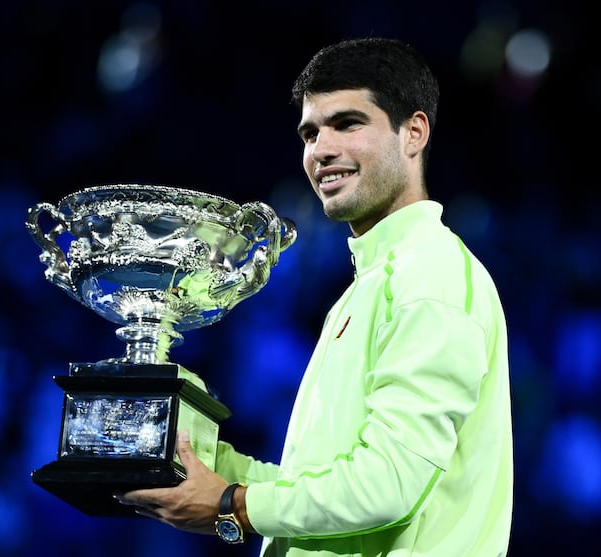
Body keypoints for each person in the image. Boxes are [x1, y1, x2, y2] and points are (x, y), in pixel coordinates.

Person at [116, 37, 514, 556]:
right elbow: (321, 483)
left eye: (348, 124)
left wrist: (234, 505)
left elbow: (389, 483)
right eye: (310, 132)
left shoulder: (430, 275)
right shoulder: (368, 288)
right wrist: (200, 460)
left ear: (413, 133)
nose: (321, 149)